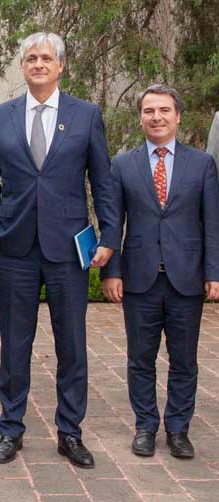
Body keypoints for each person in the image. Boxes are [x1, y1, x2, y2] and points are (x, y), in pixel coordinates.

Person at [0, 32, 119, 469]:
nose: (38, 64)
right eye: (31, 58)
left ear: (61, 67)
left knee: (72, 345)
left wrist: (110, 237)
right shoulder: (1, 116)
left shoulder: (85, 115)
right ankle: (10, 428)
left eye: (46, 58)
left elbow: (103, 180)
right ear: (23, 67)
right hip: (15, 248)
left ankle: (70, 433)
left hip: (67, 249)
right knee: (14, 344)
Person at [101, 85, 219, 459]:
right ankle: (146, 427)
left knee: (184, 360)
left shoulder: (202, 164)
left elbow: (212, 223)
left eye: (164, 110)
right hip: (139, 278)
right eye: (149, 111)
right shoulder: (123, 164)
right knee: (140, 359)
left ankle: (179, 430)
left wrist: (214, 271)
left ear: (177, 116)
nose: (157, 117)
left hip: (187, 277)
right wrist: (111, 271)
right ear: (140, 118)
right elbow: (112, 222)